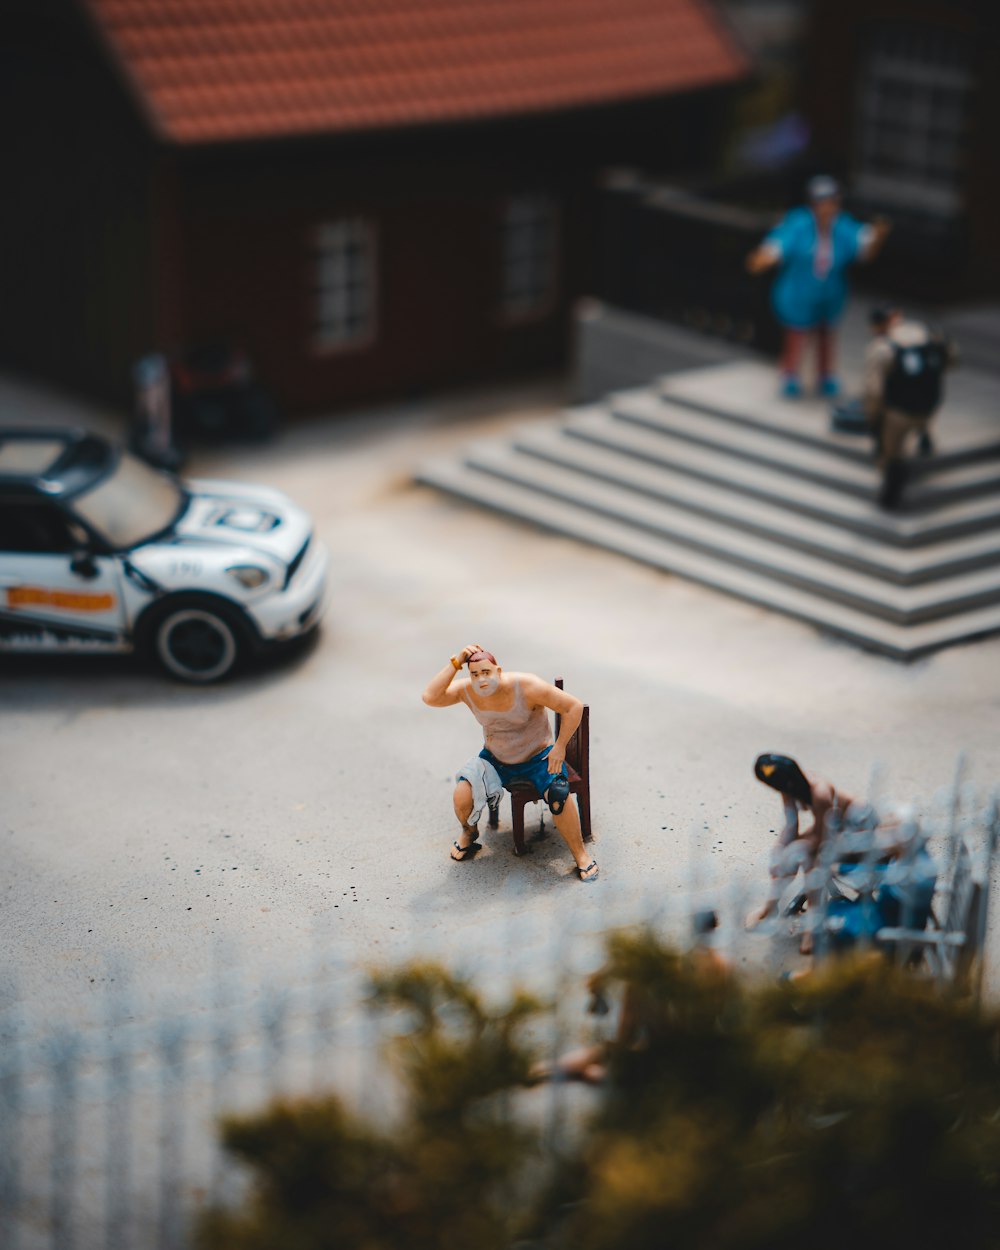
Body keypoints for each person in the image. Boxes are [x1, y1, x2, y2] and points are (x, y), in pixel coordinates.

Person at [422, 644, 598, 882]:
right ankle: (469, 832)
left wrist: (560, 747)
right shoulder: (468, 690)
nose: (481, 679)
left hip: (537, 757)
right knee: (462, 794)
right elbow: (430, 697)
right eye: (474, 674)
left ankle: (581, 855)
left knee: (558, 795)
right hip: (495, 758)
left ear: (498, 671)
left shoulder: (526, 686)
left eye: (486, 672)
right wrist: (456, 662)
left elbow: (573, 706)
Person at [746, 175, 891, 399]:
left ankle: (825, 374)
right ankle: (790, 373)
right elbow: (780, 242)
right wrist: (766, 256)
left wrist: (876, 237)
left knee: (826, 334)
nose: (828, 208)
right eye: (823, 202)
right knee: (797, 333)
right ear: (813, 204)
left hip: (830, 291)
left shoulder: (841, 225)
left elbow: (863, 242)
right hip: (800, 290)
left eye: (832, 202)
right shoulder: (800, 223)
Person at [746, 753, 856, 953]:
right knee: (783, 858)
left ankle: (813, 928)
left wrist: (797, 850)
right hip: (830, 828)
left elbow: (823, 836)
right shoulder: (788, 787)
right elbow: (791, 823)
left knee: (811, 863)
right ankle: (770, 907)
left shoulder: (820, 792)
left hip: (853, 829)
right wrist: (781, 849)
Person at [863, 306, 954, 510]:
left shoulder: (883, 346)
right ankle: (924, 436)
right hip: (929, 404)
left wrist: (873, 416)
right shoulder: (927, 335)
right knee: (920, 422)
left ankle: (890, 497)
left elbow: (874, 390)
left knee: (893, 453)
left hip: (898, 411)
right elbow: (950, 358)